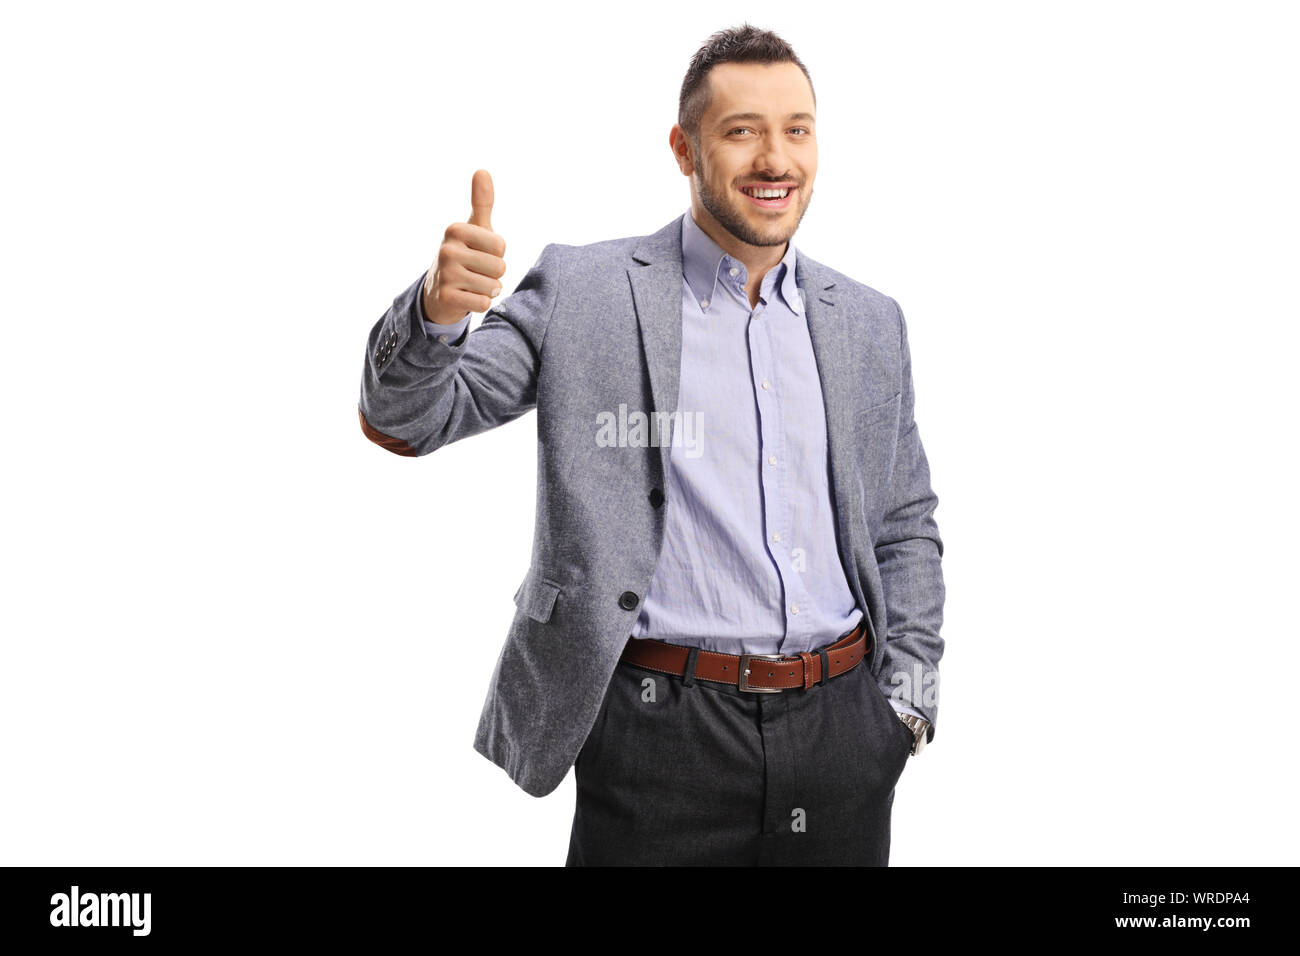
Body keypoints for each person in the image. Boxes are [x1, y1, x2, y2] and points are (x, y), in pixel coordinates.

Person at [356, 23, 945, 866]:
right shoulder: (586, 291)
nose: (776, 159)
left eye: (798, 129)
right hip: (658, 738)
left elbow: (905, 523)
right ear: (684, 147)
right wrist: (437, 313)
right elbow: (408, 417)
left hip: (842, 737)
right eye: (742, 130)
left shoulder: (871, 322)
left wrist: (906, 712)